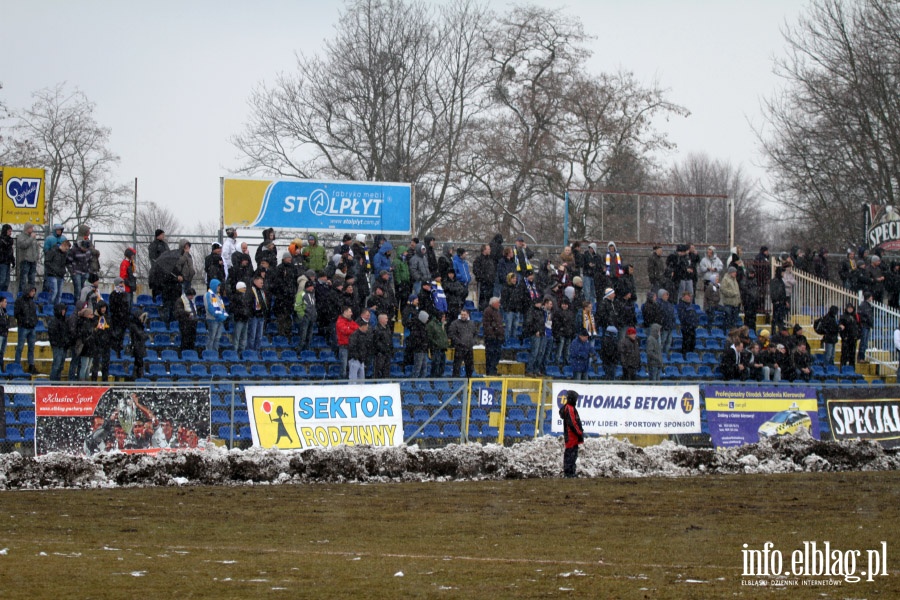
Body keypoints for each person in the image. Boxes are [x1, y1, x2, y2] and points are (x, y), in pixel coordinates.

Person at [560, 389, 584, 478]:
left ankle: (569, 472)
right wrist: (579, 433)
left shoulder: (568, 407)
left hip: (571, 435)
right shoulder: (570, 408)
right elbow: (573, 423)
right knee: (571, 454)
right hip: (571, 436)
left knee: (570, 454)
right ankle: (569, 473)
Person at [14, 285, 38, 374]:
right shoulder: (19, 301)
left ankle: (31, 365)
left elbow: (34, 314)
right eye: (32, 291)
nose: (33, 293)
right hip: (23, 327)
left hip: (32, 328)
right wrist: (24, 321)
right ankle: (16, 365)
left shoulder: (32, 302)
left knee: (31, 348)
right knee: (20, 347)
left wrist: (34, 322)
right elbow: (17, 314)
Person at [448, 308, 477, 378]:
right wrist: (459, 342)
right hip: (459, 348)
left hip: (469, 348)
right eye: (462, 314)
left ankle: (468, 379)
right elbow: (451, 334)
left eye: (464, 315)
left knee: (470, 366)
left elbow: (475, 334)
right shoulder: (455, 323)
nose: (463, 316)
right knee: (457, 366)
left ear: (468, 315)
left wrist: (473, 341)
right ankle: (456, 380)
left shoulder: (472, 324)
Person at [204, 279, 228, 353]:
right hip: (212, 320)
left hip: (220, 320)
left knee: (217, 338)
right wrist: (217, 316)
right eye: (218, 286)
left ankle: (215, 352)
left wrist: (224, 315)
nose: (219, 288)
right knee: (212, 337)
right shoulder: (208, 295)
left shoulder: (218, 296)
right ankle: (209, 352)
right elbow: (209, 307)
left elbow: (222, 307)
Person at [482, 296, 504, 376]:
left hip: (497, 338)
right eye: (498, 303)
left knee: (497, 354)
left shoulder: (497, 312)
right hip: (491, 338)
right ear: (493, 303)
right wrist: (493, 334)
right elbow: (487, 325)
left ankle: (493, 369)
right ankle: (490, 370)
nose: (499, 304)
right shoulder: (488, 311)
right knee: (490, 354)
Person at [47, 303, 70, 381]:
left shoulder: (65, 320)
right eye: (62, 310)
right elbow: (53, 335)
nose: (64, 312)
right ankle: (53, 382)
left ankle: (57, 381)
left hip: (63, 346)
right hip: (58, 346)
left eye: (64, 310)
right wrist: (58, 342)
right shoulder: (54, 321)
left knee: (61, 365)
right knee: (57, 365)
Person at [293, 279, 317, 353]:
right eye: (311, 286)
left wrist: (315, 314)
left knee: (309, 335)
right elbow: (297, 306)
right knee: (303, 335)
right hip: (305, 318)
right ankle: (300, 350)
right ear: (308, 287)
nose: (313, 288)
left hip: (312, 317)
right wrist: (303, 315)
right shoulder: (301, 294)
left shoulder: (312, 294)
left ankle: (307, 349)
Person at [44, 238, 69, 306]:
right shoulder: (53, 251)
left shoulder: (64, 254)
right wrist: (54, 269)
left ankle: (57, 307)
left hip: (60, 275)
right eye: (66, 249)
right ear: (63, 245)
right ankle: (49, 306)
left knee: (59, 293)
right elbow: (47, 262)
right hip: (52, 274)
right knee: (54, 291)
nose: (66, 251)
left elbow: (65, 263)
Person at [174, 288, 199, 353]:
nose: (192, 297)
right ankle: (184, 352)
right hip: (184, 323)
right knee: (185, 339)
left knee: (191, 340)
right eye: (191, 295)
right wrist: (188, 314)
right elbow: (179, 311)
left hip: (192, 323)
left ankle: (191, 351)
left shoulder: (191, 301)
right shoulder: (180, 300)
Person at [336, 306, 359, 378]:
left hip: (351, 346)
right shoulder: (340, 321)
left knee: (350, 366)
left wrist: (350, 329)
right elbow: (345, 331)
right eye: (350, 312)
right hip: (344, 347)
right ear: (345, 312)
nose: (351, 313)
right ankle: (342, 382)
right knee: (344, 366)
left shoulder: (350, 321)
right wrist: (352, 330)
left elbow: (357, 329)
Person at [230, 281, 251, 355]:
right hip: (239, 319)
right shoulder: (235, 297)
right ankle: (235, 352)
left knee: (243, 337)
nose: (245, 289)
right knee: (237, 337)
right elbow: (233, 308)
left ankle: (242, 352)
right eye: (243, 288)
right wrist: (241, 313)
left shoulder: (246, 297)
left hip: (245, 319)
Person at [426, 313, 449, 378]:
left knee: (442, 366)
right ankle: (434, 380)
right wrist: (436, 344)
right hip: (436, 349)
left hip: (442, 349)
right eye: (443, 317)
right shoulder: (432, 325)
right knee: (436, 365)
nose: (444, 318)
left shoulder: (442, 325)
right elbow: (429, 337)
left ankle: (439, 380)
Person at [720, 266, 741, 333]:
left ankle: (733, 333)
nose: (735, 273)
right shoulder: (725, 280)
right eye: (734, 272)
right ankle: (726, 332)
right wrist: (733, 293)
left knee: (734, 321)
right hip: (728, 303)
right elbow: (723, 290)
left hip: (735, 304)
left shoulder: (735, 280)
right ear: (730, 272)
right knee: (728, 319)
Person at [372, 313, 393, 379]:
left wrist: (390, 349)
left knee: (386, 371)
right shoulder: (376, 329)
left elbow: (390, 340)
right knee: (377, 370)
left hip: (387, 353)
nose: (387, 320)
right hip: (380, 354)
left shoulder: (388, 328)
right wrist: (383, 349)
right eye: (386, 318)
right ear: (381, 320)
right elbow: (376, 342)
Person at [839, 303, 860, 368]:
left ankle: (852, 368)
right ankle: (843, 367)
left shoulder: (855, 316)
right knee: (844, 354)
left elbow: (858, 326)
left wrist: (857, 335)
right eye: (849, 308)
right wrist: (844, 336)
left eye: (851, 308)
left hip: (853, 338)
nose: (850, 309)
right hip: (846, 338)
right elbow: (840, 327)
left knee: (852, 355)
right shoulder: (843, 316)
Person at [857, 292, 874, 362]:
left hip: (867, 325)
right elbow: (862, 316)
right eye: (870, 296)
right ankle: (861, 357)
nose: (872, 298)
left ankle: (862, 357)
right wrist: (867, 321)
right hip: (865, 325)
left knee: (865, 342)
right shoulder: (863, 305)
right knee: (863, 342)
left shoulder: (868, 305)